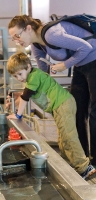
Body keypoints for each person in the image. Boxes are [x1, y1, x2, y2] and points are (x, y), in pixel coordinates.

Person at [8, 15, 96, 165]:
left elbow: (86, 47)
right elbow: (42, 75)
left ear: (28, 28)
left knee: (94, 111)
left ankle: (94, 160)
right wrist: (24, 93)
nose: (17, 40)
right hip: (80, 66)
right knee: (77, 111)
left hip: (93, 59)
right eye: (13, 38)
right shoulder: (36, 45)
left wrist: (64, 65)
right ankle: (82, 158)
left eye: (17, 35)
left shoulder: (51, 34)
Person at [6, 52, 96, 180]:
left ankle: (84, 167)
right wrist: (14, 98)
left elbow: (25, 97)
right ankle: (67, 164)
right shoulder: (33, 77)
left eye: (20, 74)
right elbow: (25, 95)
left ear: (28, 66)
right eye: (15, 76)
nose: (19, 78)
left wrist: (18, 115)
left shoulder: (34, 76)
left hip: (63, 104)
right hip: (60, 106)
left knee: (68, 136)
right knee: (63, 138)